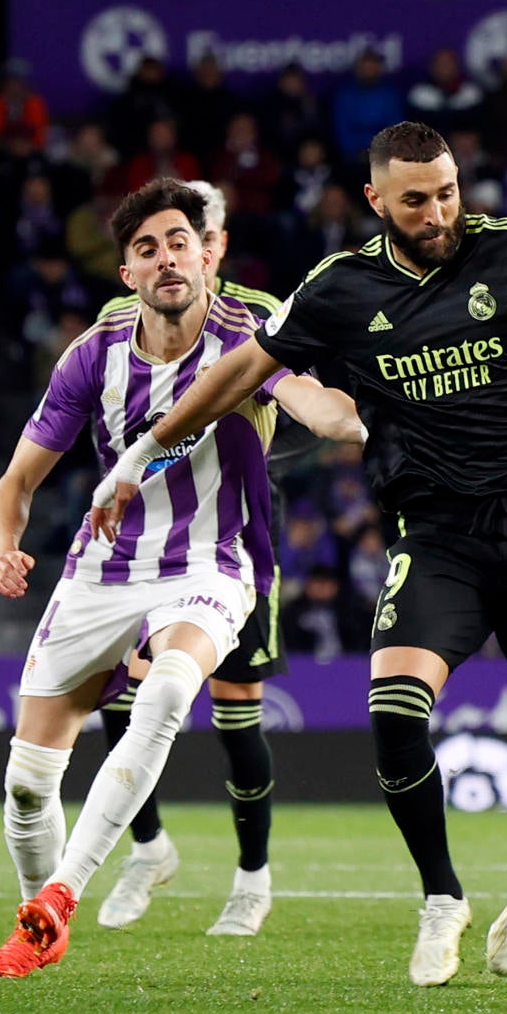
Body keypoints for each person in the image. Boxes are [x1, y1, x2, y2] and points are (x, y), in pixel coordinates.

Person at [93, 124, 507, 986]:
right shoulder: (339, 287)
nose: (438, 212)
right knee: (395, 712)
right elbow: (241, 374)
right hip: (440, 534)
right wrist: (147, 452)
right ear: (376, 201)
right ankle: (442, 897)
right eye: (415, 199)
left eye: (446, 191)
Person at [0, 179, 362, 979]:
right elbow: (15, 482)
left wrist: (341, 416)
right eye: (147, 249)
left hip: (212, 565)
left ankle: (64, 900)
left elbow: (306, 396)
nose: (167, 258)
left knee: (170, 687)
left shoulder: (248, 330)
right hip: (104, 569)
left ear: (206, 252)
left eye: (178, 241)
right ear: (128, 274)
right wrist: (2, 545)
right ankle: (38, 914)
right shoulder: (93, 354)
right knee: (24, 784)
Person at [90, 181, 298, 937]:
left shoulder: (258, 317)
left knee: (236, 707)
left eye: (195, 235)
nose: (184, 250)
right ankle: (147, 847)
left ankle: (252, 878)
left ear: (218, 243)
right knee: (123, 693)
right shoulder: (124, 320)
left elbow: (300, 392)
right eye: (165, 240)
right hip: (145, 546)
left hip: (232, 541)